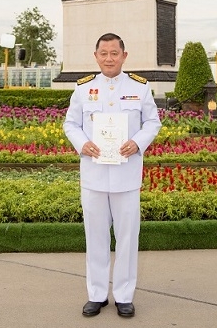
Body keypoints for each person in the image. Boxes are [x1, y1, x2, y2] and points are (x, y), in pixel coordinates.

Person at [63, 32, 162, 319]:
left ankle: (124, 296)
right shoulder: (83, 89)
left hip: (126, 176)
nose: (109, 58)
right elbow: (70, 124)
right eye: (103, 53)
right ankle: (96, 294)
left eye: (114, 53)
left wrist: (138, 142)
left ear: (124, 56)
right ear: (96, 56)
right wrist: (83, 143)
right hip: (94, 175)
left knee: (128, 238)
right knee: (94, 237)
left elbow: (152, 122)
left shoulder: (139, 88)